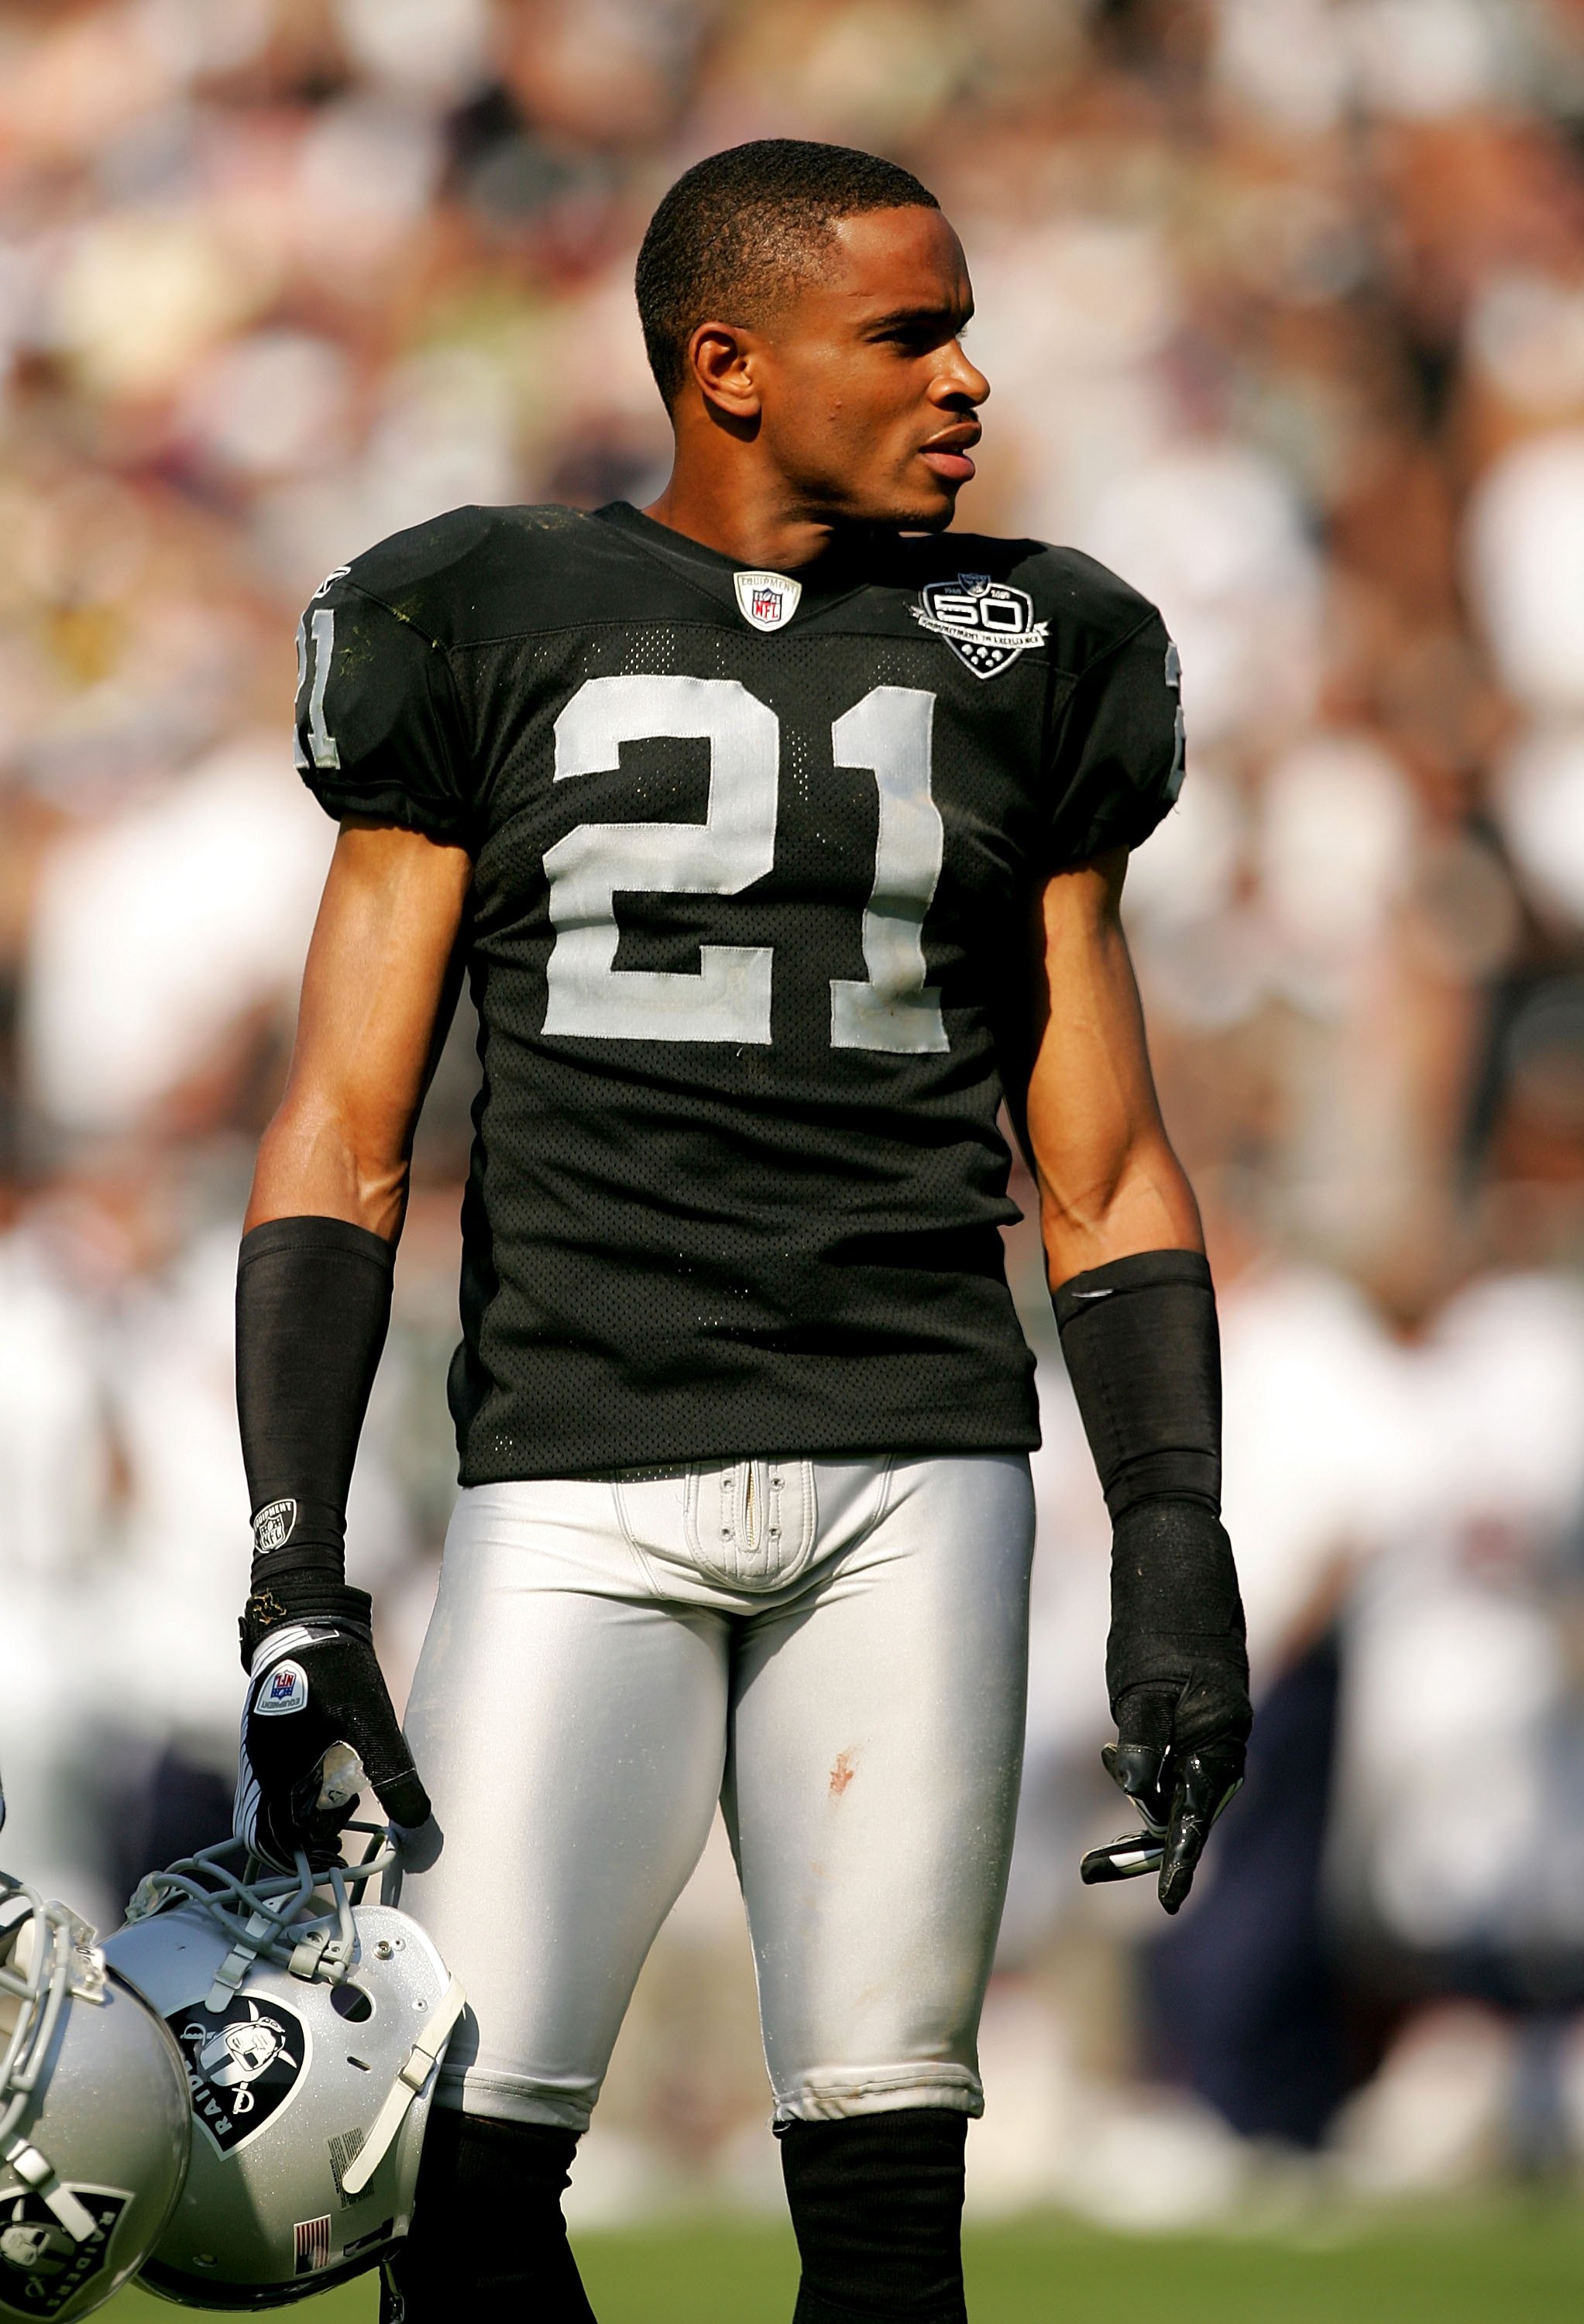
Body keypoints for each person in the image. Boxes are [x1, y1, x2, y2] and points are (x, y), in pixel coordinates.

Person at [229, 140, 1250, 2324]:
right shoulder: (475, 613)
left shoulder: (1037, 642)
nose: (969, 378)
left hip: (912, 1460)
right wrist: (293, 1564)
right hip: (574, 1465)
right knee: (460, 2183)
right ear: (729, 366)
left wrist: (1173, 1530)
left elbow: (1103, 1160)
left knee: (886, 2197)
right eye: (907, 334)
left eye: (963, 324)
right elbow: (342, 1126)